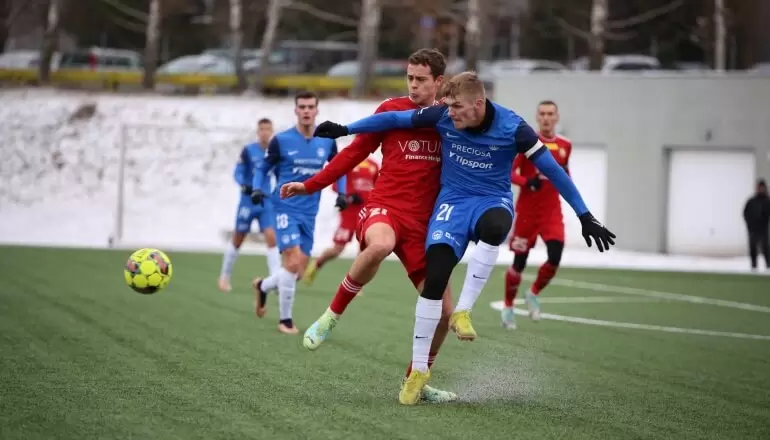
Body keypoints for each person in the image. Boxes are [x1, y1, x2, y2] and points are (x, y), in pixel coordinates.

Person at [312, 71, 616, 405]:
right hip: (452, 205)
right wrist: (346, 129)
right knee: (435, 281)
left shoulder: (514, 128)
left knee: (496, 226)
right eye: (448, 106)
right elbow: (395, 118)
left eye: (456, 106)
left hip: (491, 199)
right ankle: (417, 376)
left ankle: (465, 311)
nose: (449, 112)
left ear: (478, 103)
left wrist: (585, 216)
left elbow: (554, 171)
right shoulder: (442, 116)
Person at [280, 48, 457, 404]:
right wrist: (312, 183)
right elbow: (353, 152)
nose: (413, 85)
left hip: (425, 226)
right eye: (409, 77)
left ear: (439, 82)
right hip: (385, 208)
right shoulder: (390, 110)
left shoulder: (450, 120)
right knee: (379, 245)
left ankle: (416, 381)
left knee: (444, 314)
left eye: (421, 79)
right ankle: (331, 316)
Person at [250, 91, 348, 335]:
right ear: (296, 110)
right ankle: (285, 320)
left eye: (310, 106)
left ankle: (263, 286)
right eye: (302, 106)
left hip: (309, 213)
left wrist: (342, 193)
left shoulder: (326, 140)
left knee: (298, 270)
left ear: (317, 111)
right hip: (284, 207)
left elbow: (340, 168)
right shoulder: (281, 140)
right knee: (292, 262)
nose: (306, 111)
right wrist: (257, 189)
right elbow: (263, 168)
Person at [502, 100, 571, 329]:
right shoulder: (528, 142)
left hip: (552, 212)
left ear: (557, 117)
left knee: (555, 255)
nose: (546, 118)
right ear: (537, 117)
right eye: (542, 114)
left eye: (550, 114)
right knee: (519, 262)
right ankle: (509, 307)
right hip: (527, 213)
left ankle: (533, 293)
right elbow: (510, 172)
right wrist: (526, 181)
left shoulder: (564, 145)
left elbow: (565, 173)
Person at [218, 118, 281, 292]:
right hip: (247, 201)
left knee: (271, 237)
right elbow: (238, 172)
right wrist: (243, 184)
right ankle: (224, 276)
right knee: (238, 238)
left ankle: (275, 280)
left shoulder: (274, 152)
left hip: (266, 201)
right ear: (257, 131)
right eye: (262, 129)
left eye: (268, 129)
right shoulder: (248, 150)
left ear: (272, 131)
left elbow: (280, 173)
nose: (265, 133)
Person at [302, 157, 380, 287]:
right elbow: (336, 186)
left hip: (366, 213)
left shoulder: (373, 165)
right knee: (337, 249)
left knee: (364, 249)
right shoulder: (350, 162)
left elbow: (378, 186)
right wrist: (349, 197)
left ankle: (355, 284)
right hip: (349, 214)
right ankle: (317, 264)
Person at [743, 179, 770, 270]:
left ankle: (768, 265)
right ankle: (754, 266)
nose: (761, 189)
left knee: (766, 248)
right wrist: (749, 224)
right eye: (759, 188)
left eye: (762, 188)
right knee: (753, 248)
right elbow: (745, 213)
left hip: (763, 229)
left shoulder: (767, 201)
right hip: (753, 229)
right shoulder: (751, 201)